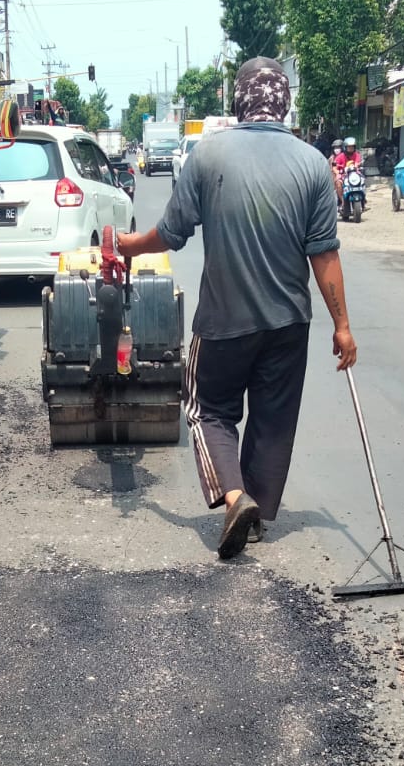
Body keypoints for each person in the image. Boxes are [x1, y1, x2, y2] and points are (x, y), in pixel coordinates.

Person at [116, 56, 357, 559]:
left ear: (238, 100)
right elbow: (325, 254)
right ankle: (258, 513)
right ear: (285, 103)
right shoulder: (314, 163)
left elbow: (171, 234)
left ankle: (234, 497)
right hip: (290, 322)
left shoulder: (209, 155)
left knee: (208, 410)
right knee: (273, 418)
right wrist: (343, 326)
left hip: (225, 321)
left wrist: (129, 245)